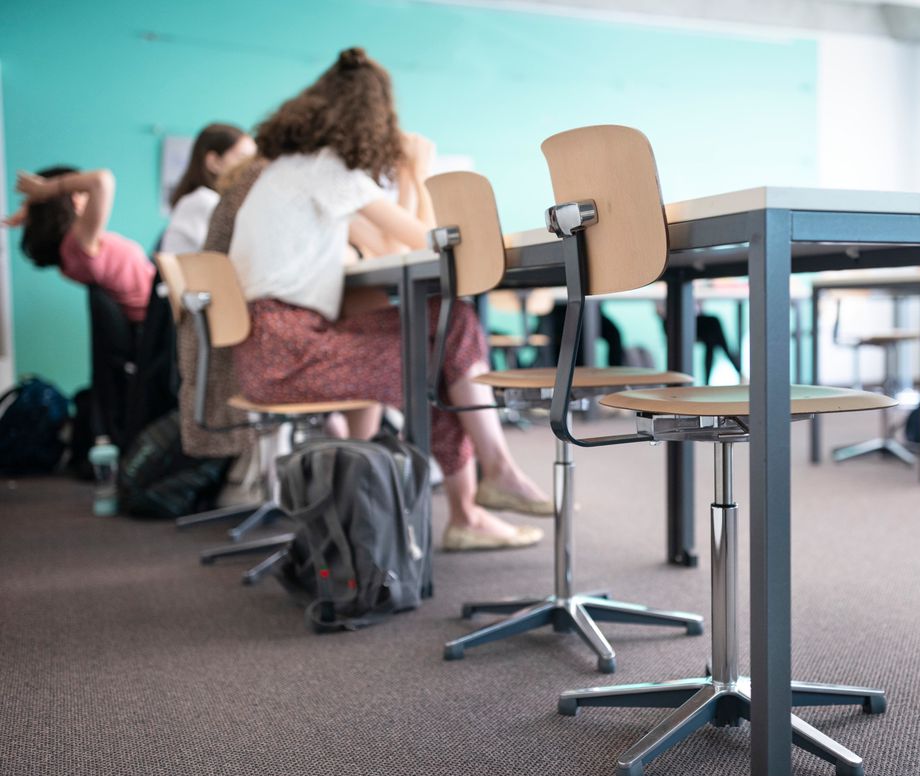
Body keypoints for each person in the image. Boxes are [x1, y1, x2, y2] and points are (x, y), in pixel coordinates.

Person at [228, 47, 550, 550]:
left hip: (276, 343)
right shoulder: (328, 170)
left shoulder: (293, 171)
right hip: (286, 351)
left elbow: (391, 246)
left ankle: (483, 488)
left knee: (448, 319)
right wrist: (416, 171)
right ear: (373, 122)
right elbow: (426, 239)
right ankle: (480, 494)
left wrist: (404, 184)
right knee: (433, 354)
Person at [7, 166, 154, 322]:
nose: (85, 196)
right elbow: (101, 180)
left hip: (163, 309)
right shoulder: (78, 243)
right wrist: (45, 190)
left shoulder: (72, 250)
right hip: (167, 315)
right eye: (79, 190)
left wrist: (36, 207)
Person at [161, 123, 257, 254]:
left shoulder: (199, 199)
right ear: (214, 162)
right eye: (242, 158)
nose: (252, 167)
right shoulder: (204, 201)